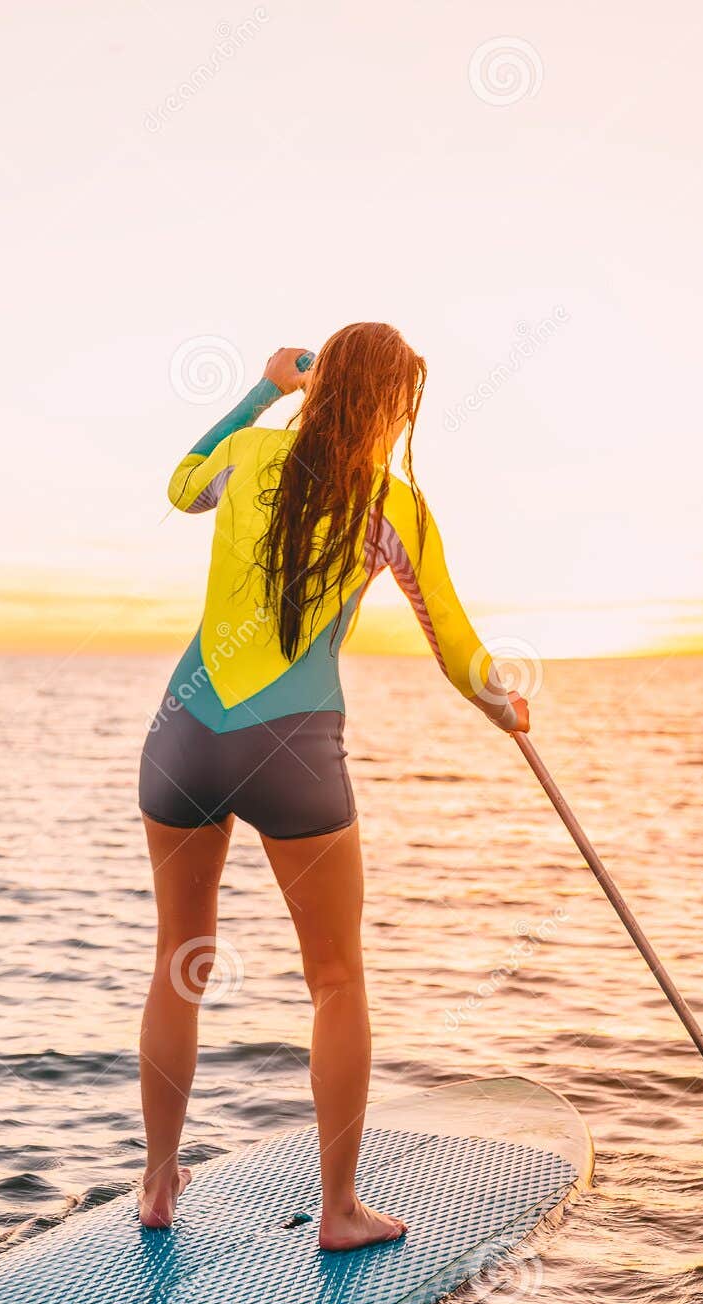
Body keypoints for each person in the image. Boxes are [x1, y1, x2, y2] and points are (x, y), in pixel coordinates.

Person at [137, 322, 529, 1250]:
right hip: (294, 751)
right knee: (337, 980)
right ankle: (341, 1211)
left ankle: (158, 1183)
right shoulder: (392, 503)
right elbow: (455, 644)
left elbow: (179, 486)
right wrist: (501, 707)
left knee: (178, 963)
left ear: (318, 387)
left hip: (184, 732)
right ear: (393, 406)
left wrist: (263, 389)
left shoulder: (243, 451)